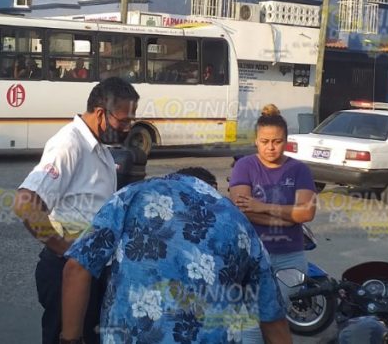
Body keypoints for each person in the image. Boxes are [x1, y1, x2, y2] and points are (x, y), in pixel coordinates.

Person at [61, 167, 292, 344]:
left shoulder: (132, 196)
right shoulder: (239, 223)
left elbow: (77, 268)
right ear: (211, 189)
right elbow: (271, 316)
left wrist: (70, 339)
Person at [12, 77, 140, 344]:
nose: (128, 127)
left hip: (90, 270)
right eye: (123, 120)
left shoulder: (99, 147)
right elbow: (25, 202)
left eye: (131, 121)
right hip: (67, 273)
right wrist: (63, 248)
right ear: (101, 113)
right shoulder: (70, 144)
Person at [229, 106, 317, 344]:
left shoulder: (299, 169)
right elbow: (242, 210)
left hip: (291, 258)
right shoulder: (245, 166)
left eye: (277, 141)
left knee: (274, 314)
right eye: (265, 141)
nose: (270, 147)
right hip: (252, 257)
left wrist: (263, 207)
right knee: (250, 323)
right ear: (256, 141)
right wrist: (289, 217)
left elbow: (307, 212)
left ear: (286, 142)